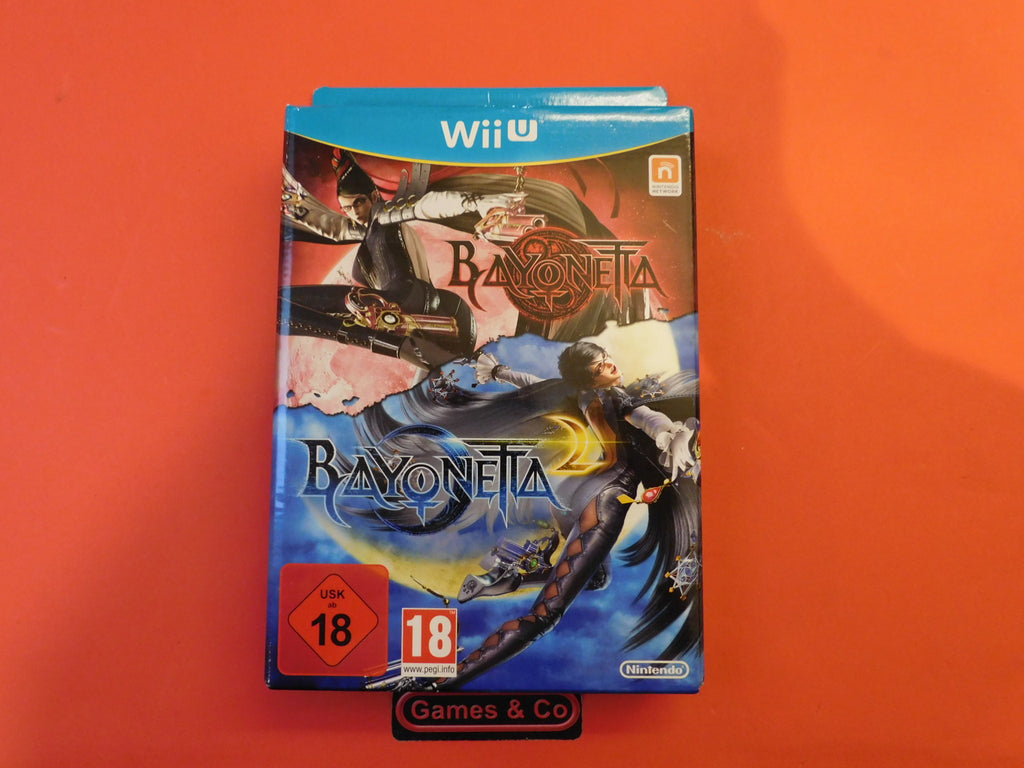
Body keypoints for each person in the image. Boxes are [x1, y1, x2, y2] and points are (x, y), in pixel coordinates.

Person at [386, 340, 702, 690]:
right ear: (590, 378)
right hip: (602, 502)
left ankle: (512, 576)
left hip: (569, 494)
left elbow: (534, 384)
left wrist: (500, 372)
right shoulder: (616, 397)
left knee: (597, 579)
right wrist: (670, 433)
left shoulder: (575, 394)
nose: (610, 365)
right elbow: (645, 417)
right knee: (544, 616)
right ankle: (439, 681)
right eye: (600, 367)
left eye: (606, 358)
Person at [279, 150, 513, 369]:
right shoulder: (364, 230)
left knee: (284, 304)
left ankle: (377, 339)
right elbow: (332, 226)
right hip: (406, 312)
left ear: (373, 196)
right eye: (347, 208)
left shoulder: (384, 215)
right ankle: (391, 344)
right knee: (283, 310)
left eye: (358, 202)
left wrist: (476, 202)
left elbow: (425, 206)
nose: (354, 213)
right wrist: (292, 199)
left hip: (410, 301)